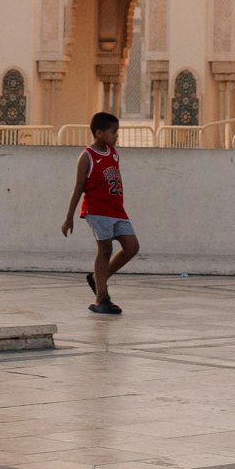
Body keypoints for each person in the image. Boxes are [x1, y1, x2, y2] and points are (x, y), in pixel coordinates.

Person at [61, 112, 139, 316]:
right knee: (105, 249)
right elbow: (78, 187)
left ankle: (98, 279)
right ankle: (100, 298)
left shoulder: (114, 153)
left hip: (117, 209)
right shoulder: (87, 156)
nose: (116, 136)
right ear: (99, 133)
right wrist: (69, 217)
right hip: (97, 210)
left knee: (131, 247)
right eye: (113, 132)